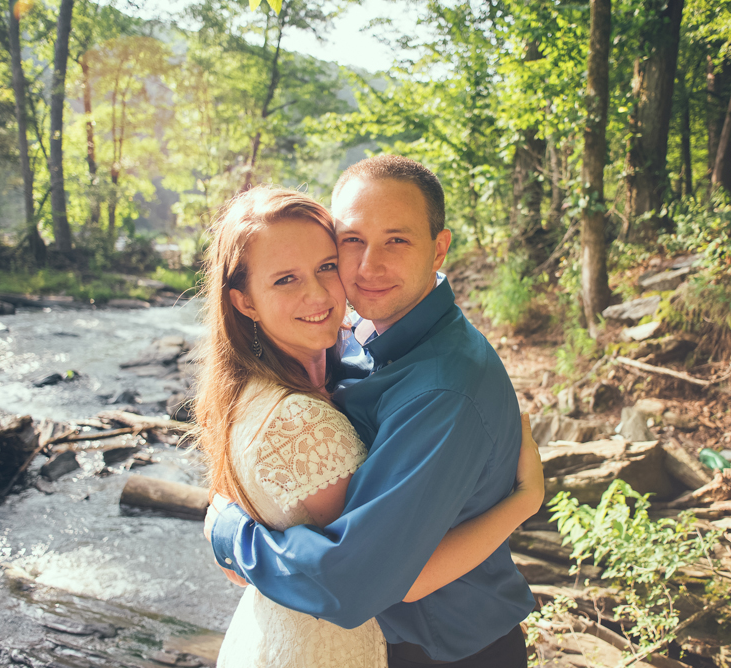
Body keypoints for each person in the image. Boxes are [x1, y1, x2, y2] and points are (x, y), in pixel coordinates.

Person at [208, 156, 539, 667]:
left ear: (439, 248)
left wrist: (234, 538)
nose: (367, 266)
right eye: (352, 241)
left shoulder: (443, 391)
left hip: (452, 650)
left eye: (397, 240)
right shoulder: (361, 339)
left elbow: (355, 579)